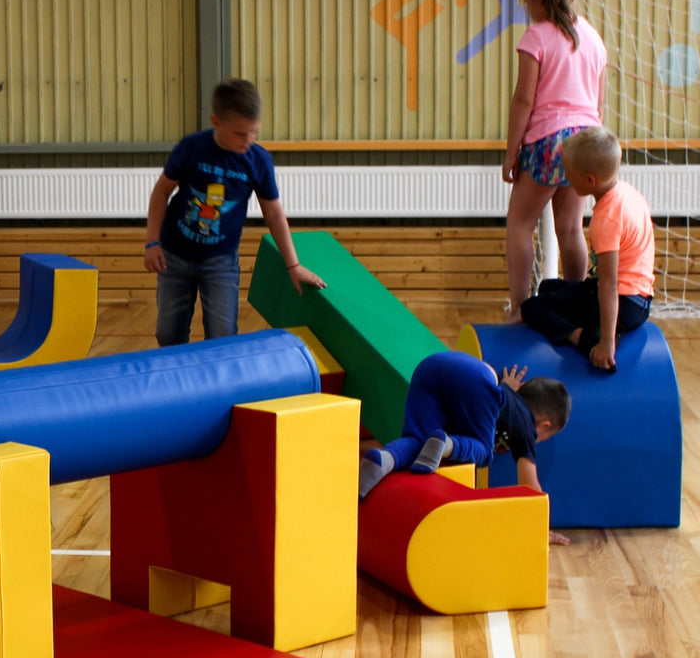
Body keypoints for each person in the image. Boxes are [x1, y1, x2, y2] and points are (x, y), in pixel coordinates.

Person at [144, 78, 325, 346]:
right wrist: (152, 241)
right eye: (241, 133)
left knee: (223, 335)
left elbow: (274, 214)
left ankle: (217, 386)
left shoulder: (258, 160)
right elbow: (161, 192)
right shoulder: (192, 148)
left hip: (220, 261)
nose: (249, 140)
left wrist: (293, 265)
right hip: (174, 256)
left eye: (254, 132)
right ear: (217, 122)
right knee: (168, 333)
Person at [358, 350, 572, 544]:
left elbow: (497, 396)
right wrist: (542, 531)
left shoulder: (506, 395)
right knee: (484, 453)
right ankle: (447, 443)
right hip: (476, 375)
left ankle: (383, 460)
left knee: (418, 440)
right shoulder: (526, 424)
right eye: (543, 437)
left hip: (433, 364)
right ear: (545, 425)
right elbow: (530, 488)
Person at [502, 0, 607, 322]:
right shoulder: (593, 38)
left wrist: (512, 152)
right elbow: (598, 103)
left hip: (549, 139)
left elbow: (523, 100)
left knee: (520, 222)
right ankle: (577, 304)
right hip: (585, 139)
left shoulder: (537, 36)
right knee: (570, 228)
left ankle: (520, 308)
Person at [519, 126, 654, 372]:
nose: (566, 179)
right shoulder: (627, 193)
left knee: (531, 307)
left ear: (590, 180)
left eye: (570, 174)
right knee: (548, 287)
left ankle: (583, 337)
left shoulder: (606, 219)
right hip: (640, 299)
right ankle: (591, 327)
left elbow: (609, 284)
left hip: (625, 304)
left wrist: (606, 343)